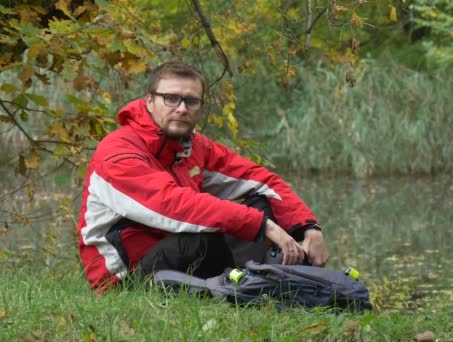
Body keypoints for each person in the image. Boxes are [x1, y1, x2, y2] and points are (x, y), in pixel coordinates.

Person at [77, 61, 328, 291]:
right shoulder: (118, 151)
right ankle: (253, 284)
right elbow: (170, 205)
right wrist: (261, 226)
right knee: (203, 241)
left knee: (265, 203)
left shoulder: (194, 147)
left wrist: (309, 228)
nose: (182, 109)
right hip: (125, 279)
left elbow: (262, 180)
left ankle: (274, 282)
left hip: (176, 251)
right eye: (171, 99)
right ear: (149, 101)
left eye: (191, 101)